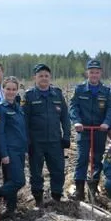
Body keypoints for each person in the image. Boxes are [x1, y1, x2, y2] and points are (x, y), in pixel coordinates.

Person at [23, 64, 71, 207]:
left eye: (46, 76)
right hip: (36, 142)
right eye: (40, 76)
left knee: (58, 170)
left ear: (50, 78)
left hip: (55, 141)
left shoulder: (57, 94)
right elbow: (24, 121)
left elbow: (65, 117)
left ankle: (56, 198)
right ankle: (38, 199)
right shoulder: (29, 96)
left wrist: (67, 136)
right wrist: (27, 141)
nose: (44, 78)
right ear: (35, 78)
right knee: (36, 172)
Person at [69, 59, 111, 200]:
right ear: (87, 73)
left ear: (100, 73)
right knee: (82, 159)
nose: (94, 75)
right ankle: (80, 191)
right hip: (84, 130)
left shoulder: (106, 91)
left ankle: (93, 188)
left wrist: (106, 123)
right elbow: (73, 107)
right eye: (91, 72)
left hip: (99, 131)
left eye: (97, 72)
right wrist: (76, 122)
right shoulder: (79, 89)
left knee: (96, 159)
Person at [0, 76, 28, 216]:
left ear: (17, 90)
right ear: (3, 89)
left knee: (11, 179)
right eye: (8, 89)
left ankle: (11, 208)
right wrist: (4, 154)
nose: (11, 92)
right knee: (19, 181)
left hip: (19, 150)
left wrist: (25, 149)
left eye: (14, 89)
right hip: (10, 150)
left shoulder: (18, 108)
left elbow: (21, 130)